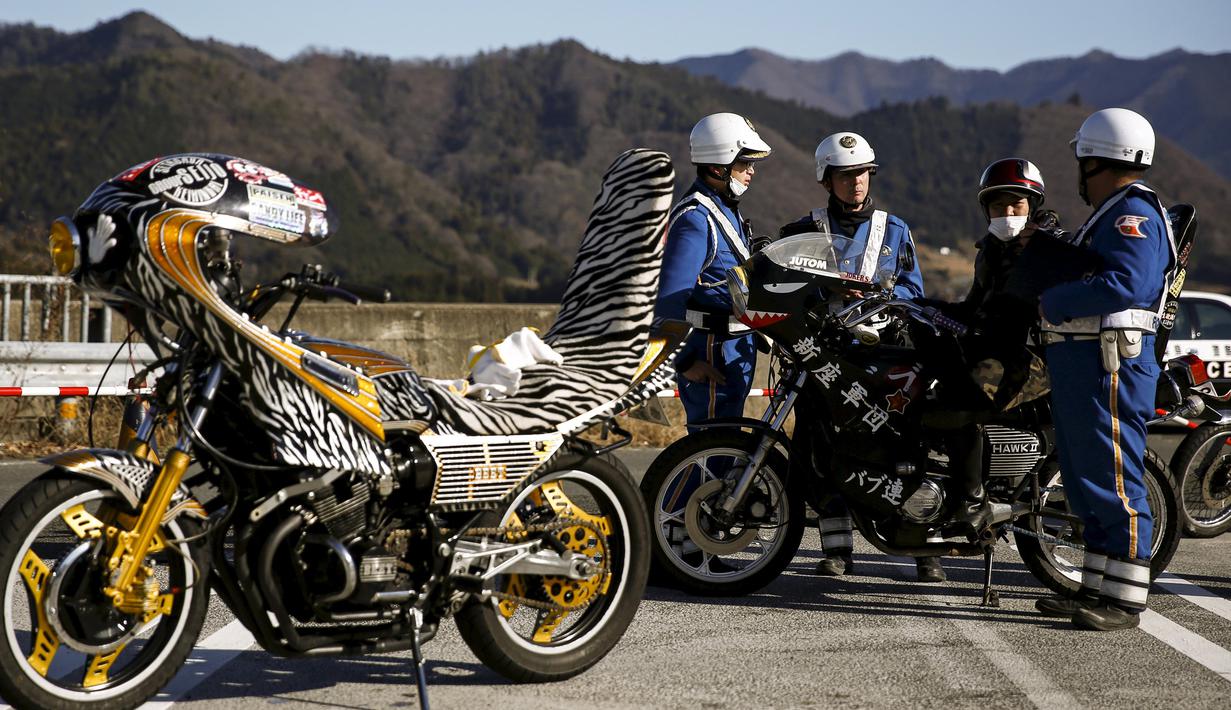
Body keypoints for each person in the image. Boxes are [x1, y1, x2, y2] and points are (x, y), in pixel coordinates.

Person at [1034, 108, 1175, 631]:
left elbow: (1127, 283)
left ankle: (1124, 600)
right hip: (1087, 364)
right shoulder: (1112, 213)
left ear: (1096, 159)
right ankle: (1094, 587)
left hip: (1109, 363)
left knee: (1114, 475)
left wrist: (1054, 298)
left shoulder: (1129, 214)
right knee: (1086, 476)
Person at [778, 132, 939, 581]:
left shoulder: (897, 229)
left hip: (888, 359)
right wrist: (823, 287)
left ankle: (922, 545)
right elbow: (782, 293)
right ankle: (836, 550)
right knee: (820, 450)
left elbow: (915, 294)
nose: (857, 183)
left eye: (864, 174)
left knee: (903, 450)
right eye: (846, 176)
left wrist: (879, 295)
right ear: (826, 181)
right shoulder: (801, 232)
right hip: (824, 358)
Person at [654, 112, 771, 431]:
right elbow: (668, 297)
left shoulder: (724, 209)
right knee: (710, 459)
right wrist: (685, 360)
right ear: (719, 165)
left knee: (728, 453)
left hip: (733, 347)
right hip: (710, 352)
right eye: (744, 163)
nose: (751, 171)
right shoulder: (696, 218)